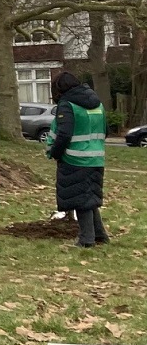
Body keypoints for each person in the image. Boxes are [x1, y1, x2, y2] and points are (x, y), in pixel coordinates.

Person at [49, 72, 108, 247]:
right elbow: (107, 130)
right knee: (89, 197)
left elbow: (64, 134)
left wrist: (55, 153)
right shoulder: (98, 103)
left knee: (80, 200)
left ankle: (86, 240)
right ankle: (100, 236)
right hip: (96, 158)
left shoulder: (67, 104)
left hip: (75, 159)